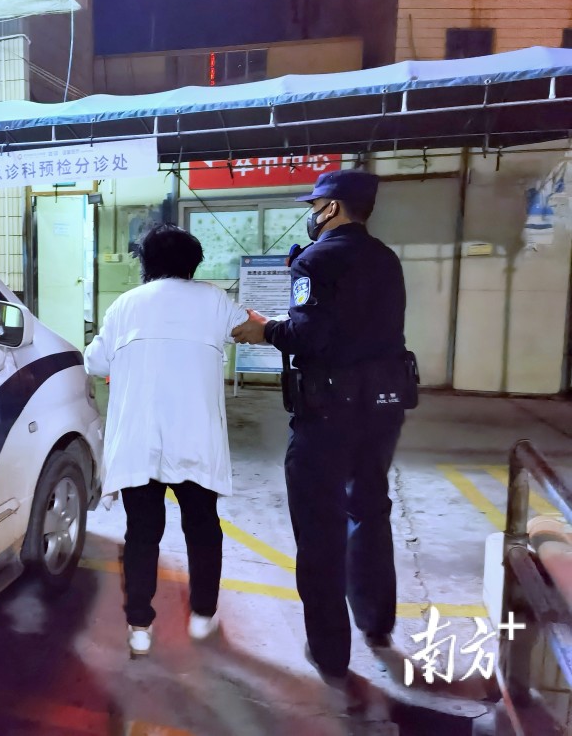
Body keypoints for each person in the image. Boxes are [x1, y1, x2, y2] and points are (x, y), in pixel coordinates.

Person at [232, 169, 414, 689]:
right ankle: (376, 621)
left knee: (319, 528)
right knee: (370, 508)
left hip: (329, 411)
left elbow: (310, 335)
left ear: (331, 207)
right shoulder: (385, 258)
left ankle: (331, 652)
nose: (311, 215)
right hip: (383, 407)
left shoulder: (316, 260)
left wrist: (265, 329)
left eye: (314, 206)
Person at [84, 224, 247, 657]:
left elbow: (95, 361)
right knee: (203, 527)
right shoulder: (213, 299)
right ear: (193, 264)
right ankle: (203, 615)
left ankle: (139, 625)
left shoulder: (125, 304)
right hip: (195, 438)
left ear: (146, 262)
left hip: (140, 438)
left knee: (142, 533)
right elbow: (249, 329)